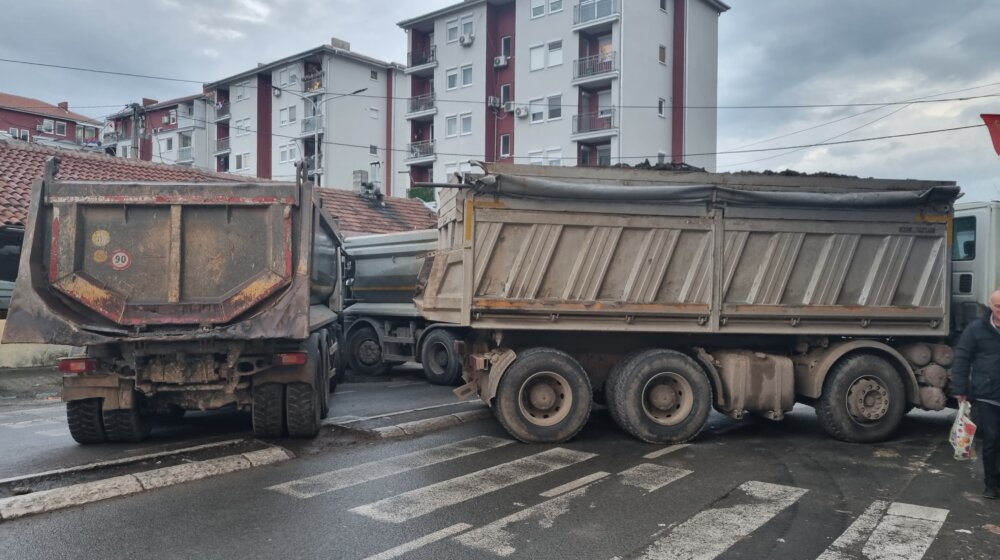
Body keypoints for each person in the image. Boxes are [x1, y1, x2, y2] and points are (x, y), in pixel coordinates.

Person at [952, 289, 1000, 499]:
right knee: (992, 439)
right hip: (987, 394)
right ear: (991, 306)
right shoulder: (976, 329)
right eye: (998, 306)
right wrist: (961, 389)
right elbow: (962, 358)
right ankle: (991, 485)